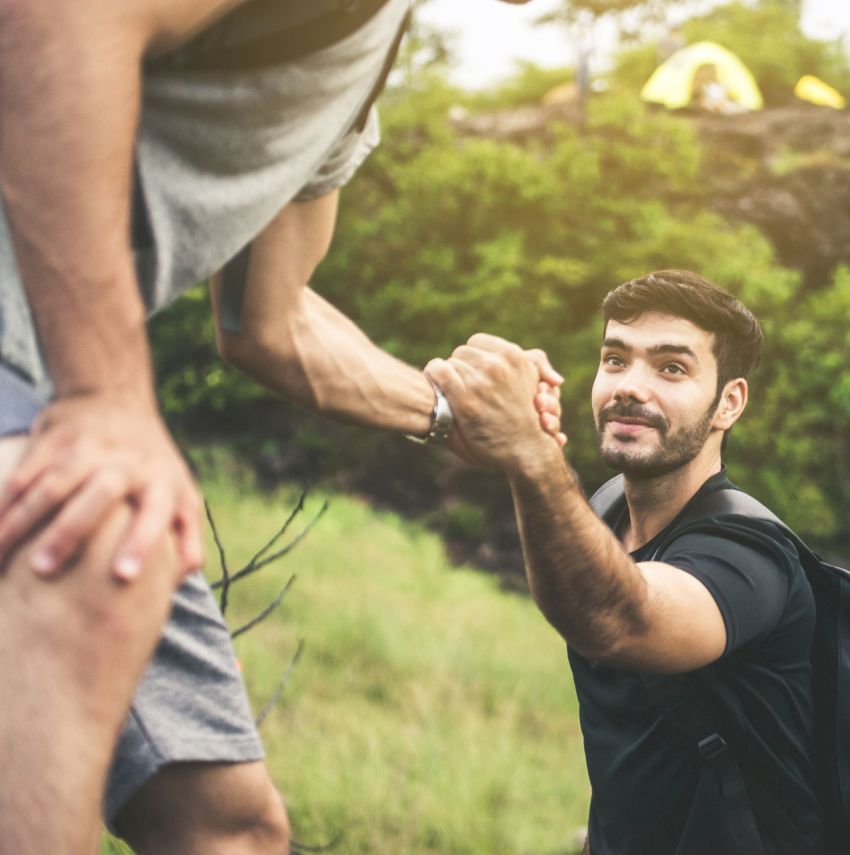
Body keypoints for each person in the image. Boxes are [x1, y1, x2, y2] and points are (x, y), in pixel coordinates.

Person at [0, 0, 555, 852]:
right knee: (94, 553)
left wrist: (453, 413)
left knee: (226, 827)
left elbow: (270, 321)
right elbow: (58, 17)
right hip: (35, 367)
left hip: (39, 375)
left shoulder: (356, 73)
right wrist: (106, 394)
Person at [426, 270, 822, 853]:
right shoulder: (608, 508)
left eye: (671, 368)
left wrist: (529, 453)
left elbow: (618, 622)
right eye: (615, 360)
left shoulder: (751, 555)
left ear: (728, 404)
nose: (630, 387)